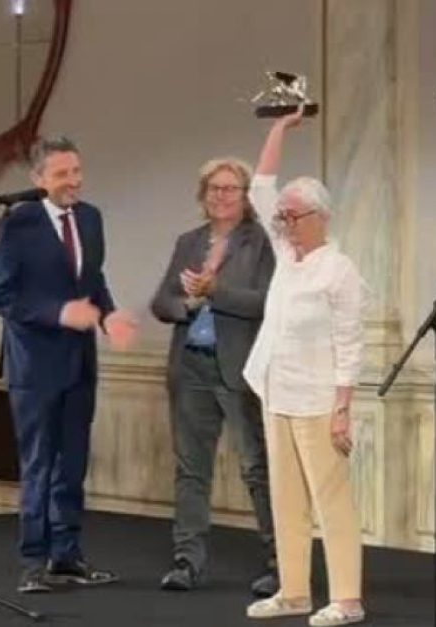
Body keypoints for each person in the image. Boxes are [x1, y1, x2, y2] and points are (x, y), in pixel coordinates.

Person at [0, 135, 137, 594]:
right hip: (34, 365)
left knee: (72, 463)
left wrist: (108, 317)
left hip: (80, 362)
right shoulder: (17, 223)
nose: (74, 180)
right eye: (62, 173)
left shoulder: (90, 218)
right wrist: (58, 313)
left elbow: (93, 280)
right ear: (38, 178)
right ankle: (33, 562)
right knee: (39, 465)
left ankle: (66, 556)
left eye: (77, 171)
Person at [241, 109, 367, 627]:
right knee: (285, 498)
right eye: (283, 218)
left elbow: (350, 344)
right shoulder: (285, 253)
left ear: (321, 216)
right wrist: (279, 129)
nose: (285, 225)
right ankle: (293, 591)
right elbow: (260, 189)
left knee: (330, 499)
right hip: (277, 392)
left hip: (318, 399)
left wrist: (342, 408)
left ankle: (347, 599)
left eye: (294, 217)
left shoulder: (339, 270)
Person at [150, 156, 279, 596]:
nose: (221, 196)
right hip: (191, 365)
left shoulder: (261, 242)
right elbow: (161, 302)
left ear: (246, 197)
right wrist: (186, 305)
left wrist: (215, 291)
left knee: (257, 468)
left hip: (239, 368)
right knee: (191, 470)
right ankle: (187, 562)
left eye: (230, 189)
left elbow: (267, 302)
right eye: (213, 188)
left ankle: (282, 564)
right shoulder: (189, 241)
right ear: (203, 195)